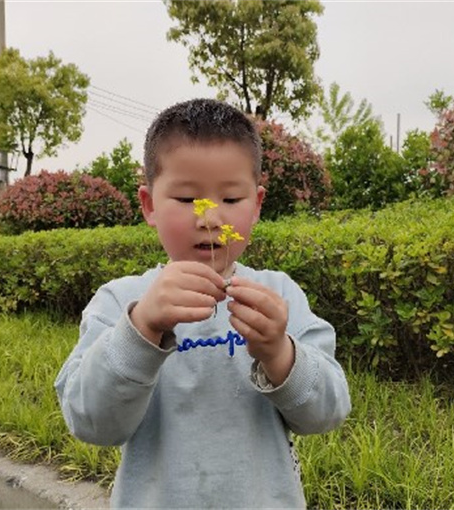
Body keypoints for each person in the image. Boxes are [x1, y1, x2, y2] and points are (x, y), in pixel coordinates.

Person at [55, 98, 351, 508]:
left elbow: (327, 413)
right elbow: (91, 422)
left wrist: (279, 353)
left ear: (257, 205)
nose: (210, 219)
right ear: (149, 205)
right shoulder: (122, 302)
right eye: (186, 199)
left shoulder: (277, 297)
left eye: (230, 200)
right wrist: (142, 327)